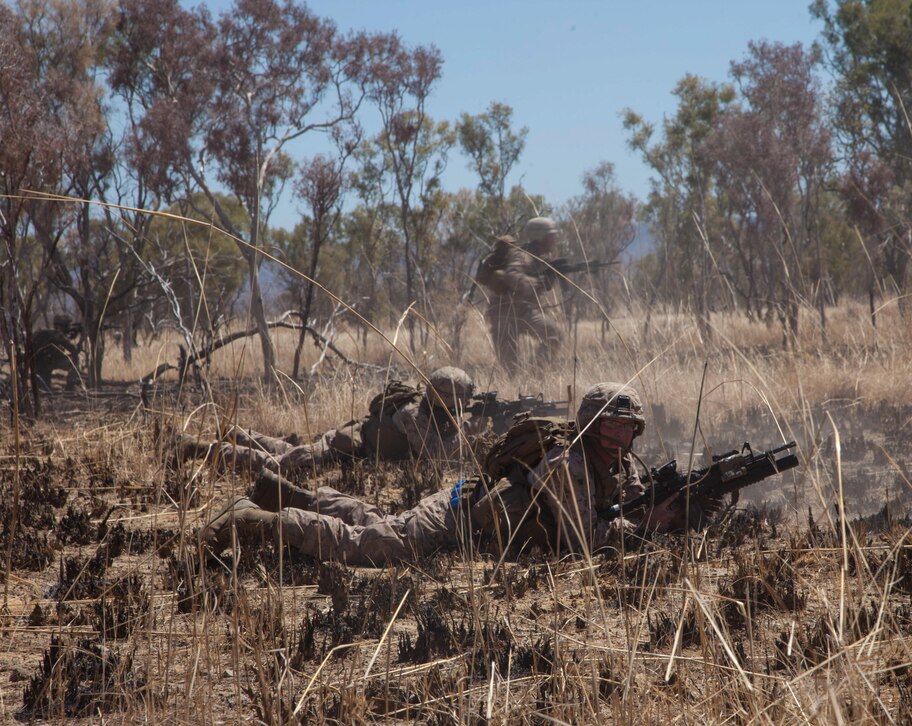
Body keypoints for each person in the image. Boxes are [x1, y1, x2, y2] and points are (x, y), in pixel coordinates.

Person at [199, 382, 692, 565]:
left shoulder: (616, 461)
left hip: (470, 514)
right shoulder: (569, 463)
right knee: (372, 546)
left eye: (628, 429)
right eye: (610, 425)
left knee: (375, 520)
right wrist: (644, 528)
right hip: (455, 518)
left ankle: (283, 493)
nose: (619, 437)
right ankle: (255, 519)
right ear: (588, 425)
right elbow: (586, 538)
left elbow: (629, 501)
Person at [175, 367, 479, 476]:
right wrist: (470, 433)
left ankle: (237, 433)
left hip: (354, 451)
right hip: (344, 445)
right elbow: (435, 455)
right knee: (279, 464)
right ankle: (202, 448)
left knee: (284, 450)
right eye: (459, 401)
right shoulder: (413, 415)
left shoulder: (438, 416)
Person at [473, 216, 564, 370]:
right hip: (504, 314)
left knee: (553, 335)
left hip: (523, 312)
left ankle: (536, 372)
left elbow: (540, 284)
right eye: (551, 235)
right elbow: (512, 276)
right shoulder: (523, 255)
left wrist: (551, 277)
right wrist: (537, 282)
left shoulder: (541, 258)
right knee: (511, 369)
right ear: (541, 236)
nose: (555, 239)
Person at [29, 314, 82, 392]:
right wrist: (78, 340)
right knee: (75, 360)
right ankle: (70, 386)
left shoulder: (45, 333)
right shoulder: (58, 335)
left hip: (38, 364)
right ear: (63, 326)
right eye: (68, 326)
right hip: (49, 362)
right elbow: (73, 349)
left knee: (44, 389)